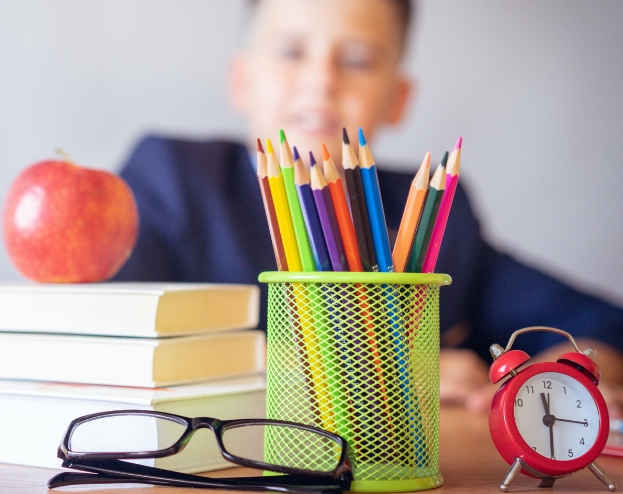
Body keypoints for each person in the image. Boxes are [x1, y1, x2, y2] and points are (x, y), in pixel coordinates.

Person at [112, 0, 623, 416]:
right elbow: (114, 338)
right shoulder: (173, 178)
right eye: (291, 51)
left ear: (397, 99)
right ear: (242, 81)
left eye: (356, 60)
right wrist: (387, 378)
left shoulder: (435, 215)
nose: (321, 80)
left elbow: (601, 326)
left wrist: (562, 378)